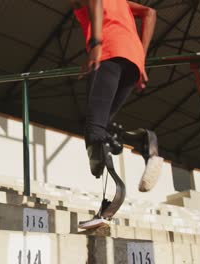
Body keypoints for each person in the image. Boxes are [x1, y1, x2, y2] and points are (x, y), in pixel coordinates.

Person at [70, 0, 157, 177]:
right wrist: (141, 58)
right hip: (132, 61)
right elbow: (150, 13)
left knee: (94, 132)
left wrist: (96, 44)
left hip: (109, 53)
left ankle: (141, 140)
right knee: (102, 127)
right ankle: (141, 140)